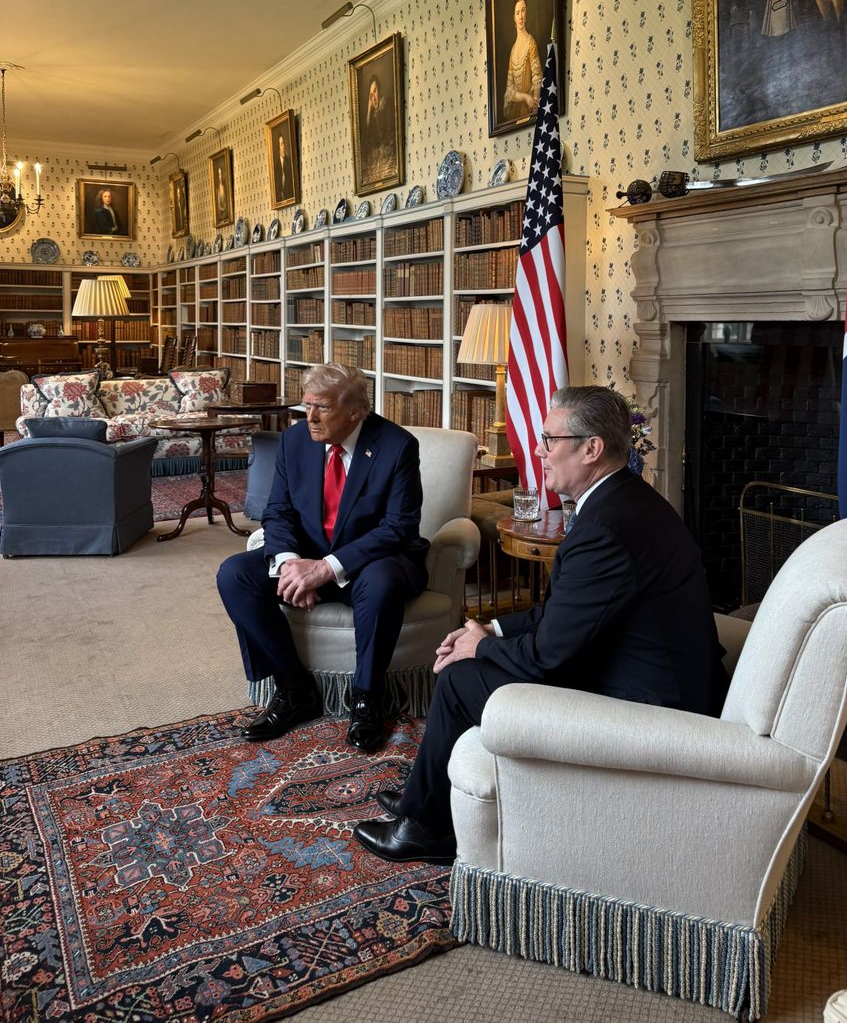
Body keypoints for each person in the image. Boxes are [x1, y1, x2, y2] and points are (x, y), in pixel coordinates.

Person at [353, 385, 726, 865]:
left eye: (550, 439)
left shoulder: (606, 530)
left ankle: (425, 830)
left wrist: (476, 650)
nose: (538, 450)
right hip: (642, 670)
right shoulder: (625, 503)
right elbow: (567, 615)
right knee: (474, 656)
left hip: (651, 705)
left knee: (463, 680)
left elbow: (551, 655)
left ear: (591, 449)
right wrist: (489, 630)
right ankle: (423, 800)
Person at [216, 363, 429, 752]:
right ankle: (294, 688)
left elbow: (399, 527)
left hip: (370, 562)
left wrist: (325, 569)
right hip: (308, 555)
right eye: (307, 405)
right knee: (234, 575)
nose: (310, 417)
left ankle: (366, 698)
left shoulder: (397, 446)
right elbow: (277, 511)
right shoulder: (295, 440)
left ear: (354, 411)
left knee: (382, 582)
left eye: (322, 408)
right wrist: (290, 565)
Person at [501, 0, 543, 123]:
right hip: (517, 112)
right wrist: (524, 97)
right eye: (517, 12)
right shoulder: (513, 50)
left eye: (523, 10)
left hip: (531, 110)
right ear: (514, 17)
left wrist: (535, 105)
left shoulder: (531, 43)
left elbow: (537, 77)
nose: (520, 16)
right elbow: (509, 92)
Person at [362, 74, 395, 185]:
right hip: (380, 157)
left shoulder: (387, 104)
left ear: (380, 90)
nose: (374, 97)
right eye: (371, 95)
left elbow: (389, 136)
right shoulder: (373, 114)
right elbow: (368, 141)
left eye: (375, 91)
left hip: (388, 154)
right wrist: (368, 110)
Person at [274, 132, 294, 202]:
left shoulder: (289, 163)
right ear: (278, 149)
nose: (283, 146)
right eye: (281, 144)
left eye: (283, 143)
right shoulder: (275, 166)